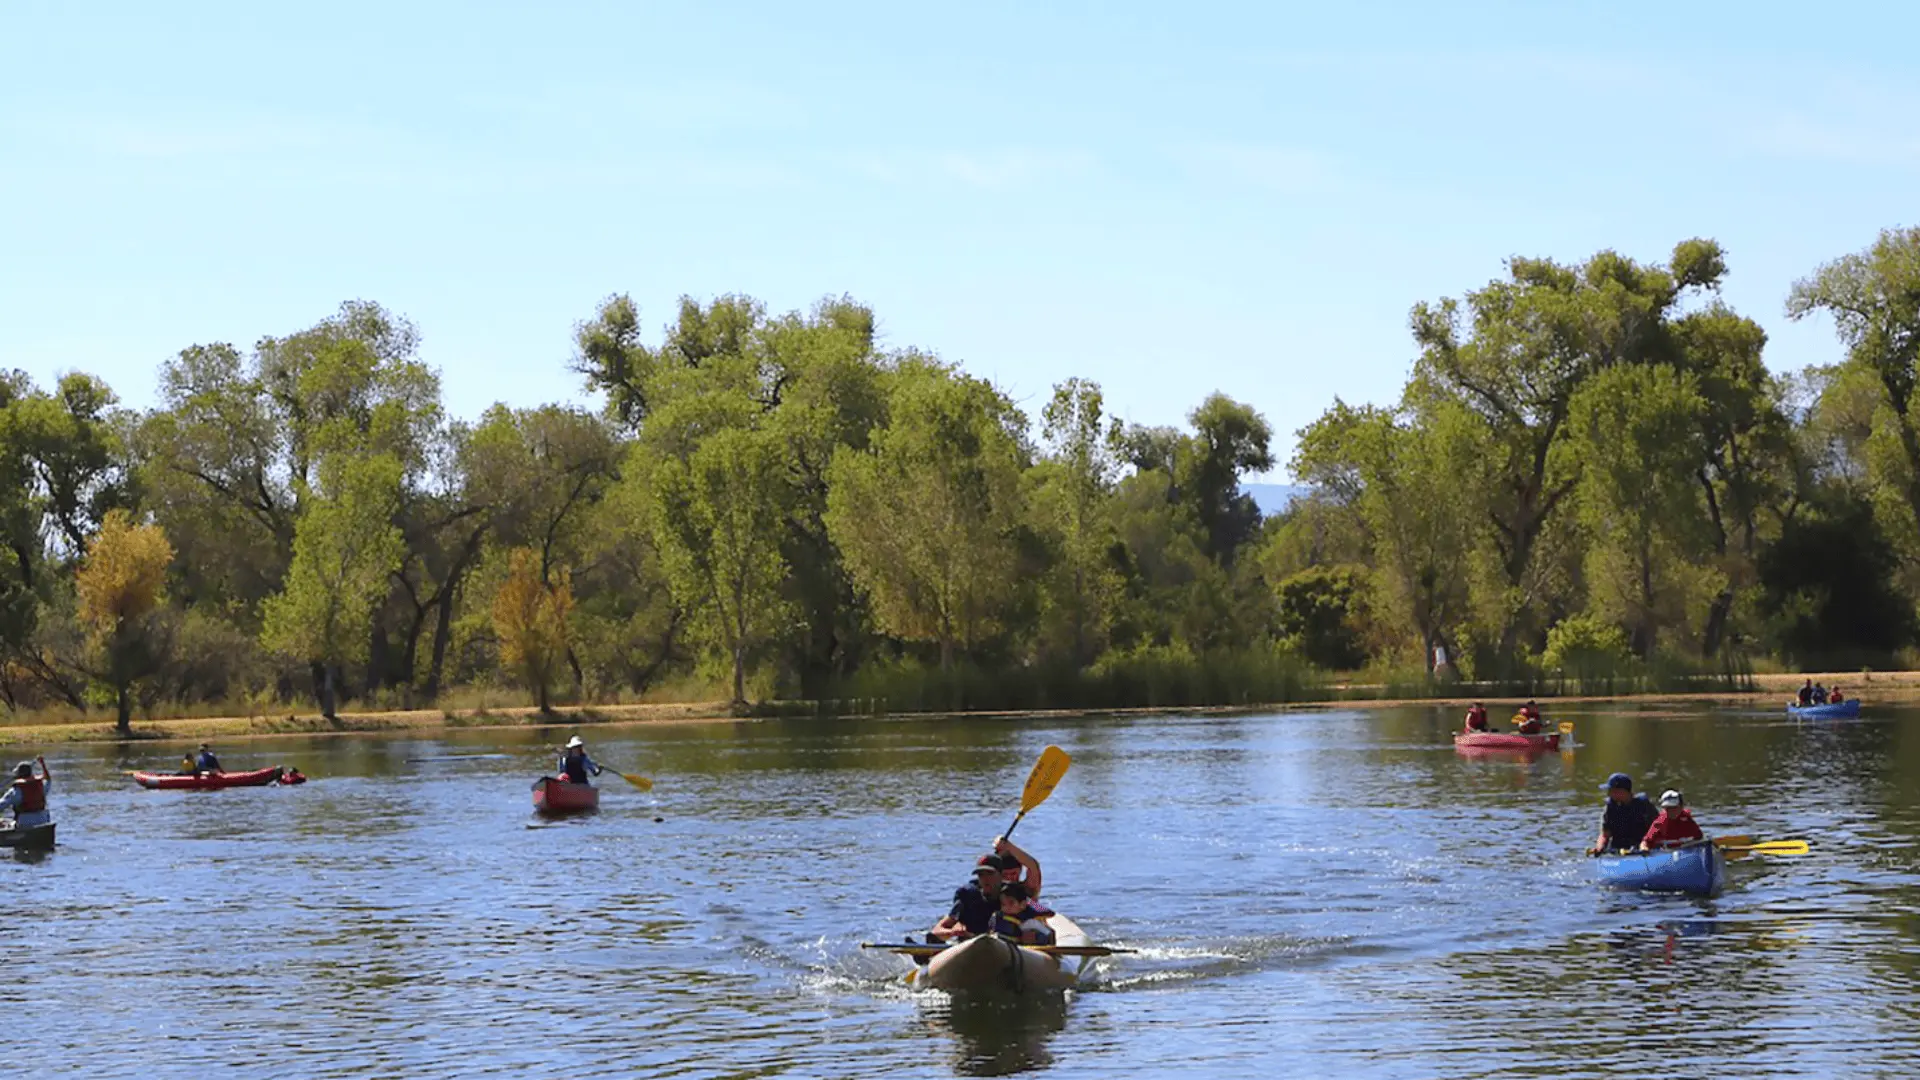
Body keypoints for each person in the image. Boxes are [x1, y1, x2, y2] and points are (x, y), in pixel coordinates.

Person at [929, 855, 1004, 942]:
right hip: (971, 945)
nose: (985, 879)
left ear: (1001, 875)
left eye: (990, 873)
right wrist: (953, 932)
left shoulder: (1012, 896)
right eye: (981, 875)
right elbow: (936, 931)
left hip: (1002, 946)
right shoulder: (968, 896)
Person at [1591, 772, 1658, 855]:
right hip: (1619, 850)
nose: (1609, 794)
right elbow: (1605, 834)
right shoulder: (1610, 808)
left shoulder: (1644, 805)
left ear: (1623, 791)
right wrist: (1599, 847)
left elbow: (1658, 828)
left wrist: (1646, 844)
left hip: (1644, 848)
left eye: (1612, 791)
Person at [992, 881, 1056, 945]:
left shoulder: (1029, 922)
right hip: (1001, 944)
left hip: (1022, 949)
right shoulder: (996, 917)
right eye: (1003, 904)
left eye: (1011, 903)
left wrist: (1037, 938)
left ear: (1022, 904)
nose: (1006, 907)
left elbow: (1050, 934)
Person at [1640, 790, 1704, 850]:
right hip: (1667, 856)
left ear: (1681, 807)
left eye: (1674, 807)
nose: (1671, 811)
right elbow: (1645, 843)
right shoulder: (1659, 823)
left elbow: (1699, 837)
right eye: (1667, 808)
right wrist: (1644, 849)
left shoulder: (1687, 819)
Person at [0, 758, 51, 831]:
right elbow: (48, 781)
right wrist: (43, 765)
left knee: (2, 822)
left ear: (18, 775)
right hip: (43, 821)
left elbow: (1, 805)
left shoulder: (15, 791)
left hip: (24, 824)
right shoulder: (41, 786)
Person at [993, 836, 1045, 902]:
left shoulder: (1028, 889)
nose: (1009, 877)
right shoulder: (992, 890)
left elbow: (1033, 866)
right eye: (1005, 874)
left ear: (1020, 871)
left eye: (1013, 873)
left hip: (1033, 909)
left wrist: (1008, 845)